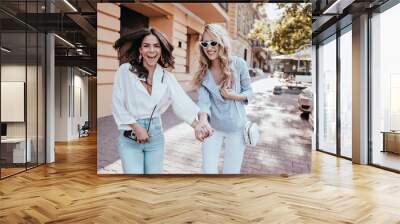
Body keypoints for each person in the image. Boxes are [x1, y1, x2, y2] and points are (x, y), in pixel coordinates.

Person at [112, 28, 213, 174]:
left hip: (155, 136)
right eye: (146, 46)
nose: (151, 50)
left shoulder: (167, 77)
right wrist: (136, 127)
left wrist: (198, 125)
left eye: (156, 46)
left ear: (161, 50)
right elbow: (117, 104)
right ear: (140, 49)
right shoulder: (125, 71)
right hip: (130, 136)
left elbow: (182, 103)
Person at [193, 24, 253, 174]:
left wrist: (234, 96)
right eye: (205, 43)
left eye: (213, 42)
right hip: (213, 129)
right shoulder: (203, 71)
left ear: (222, 42)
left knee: (231, 172)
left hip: (236, 128)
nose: (209, 47)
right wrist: (202, 120)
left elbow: (250, 92)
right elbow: (203, 102)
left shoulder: (239, 64)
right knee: (207, 170)